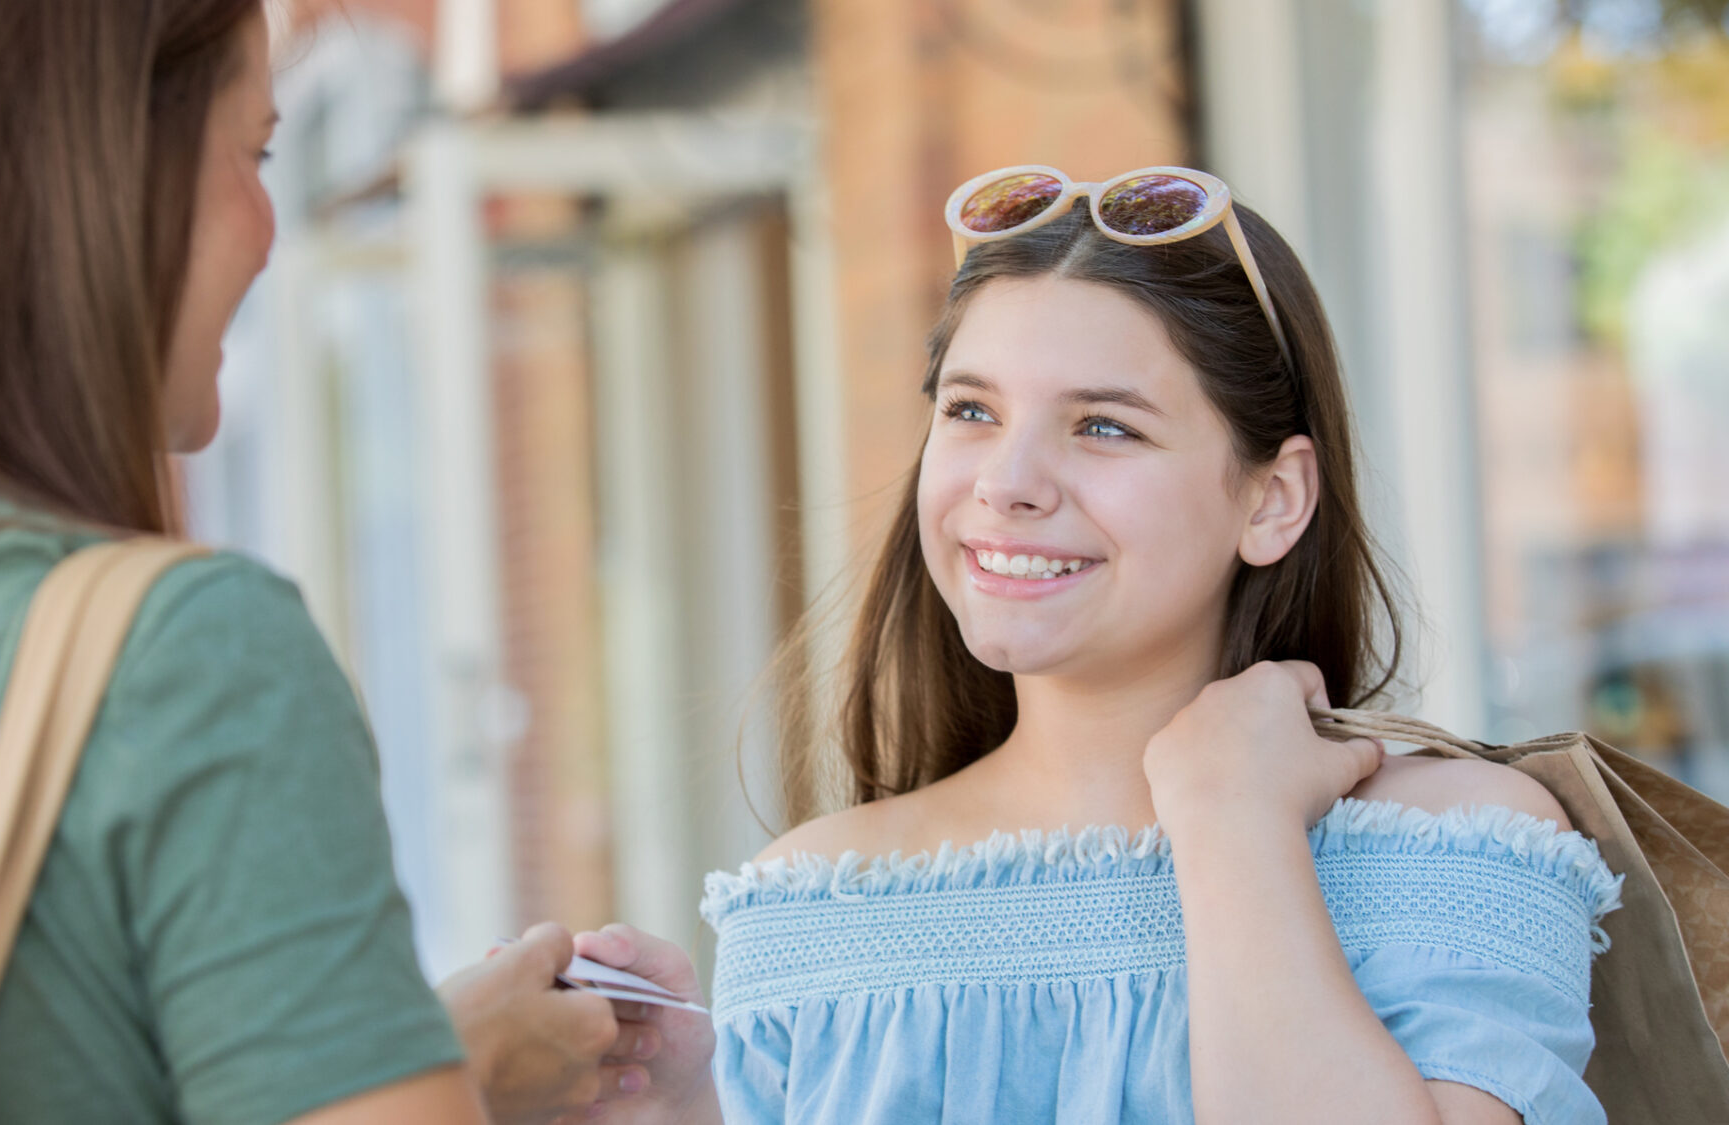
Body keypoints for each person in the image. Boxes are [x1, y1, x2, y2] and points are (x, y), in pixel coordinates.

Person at [0, 2, 656, 1122]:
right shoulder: (182, 658)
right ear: (95, 163)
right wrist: (461, 1085)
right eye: (256, 151)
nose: (272, 226)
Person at [602, 167, 1627, 1123]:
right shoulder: (810, 904)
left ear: (1271, 501)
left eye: (1102, 427)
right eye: (969, 410)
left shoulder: (1456, 846)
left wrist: (1230, 818)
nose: (1005, 481)